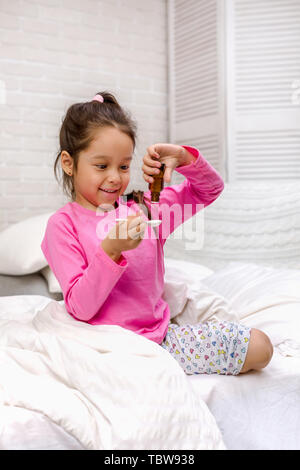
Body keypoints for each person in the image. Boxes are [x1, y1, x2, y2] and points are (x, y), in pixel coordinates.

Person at [41, 91, 273, 376]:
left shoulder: (144, 209)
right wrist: (110, 251)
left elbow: (209, 189)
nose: (115, 177)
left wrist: (185, 158)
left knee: (260, 346)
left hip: (159, 342)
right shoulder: (63, 225)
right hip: (102, 348)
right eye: (102, 166)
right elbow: (80, 307)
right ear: (68, 163)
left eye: (124, 166)